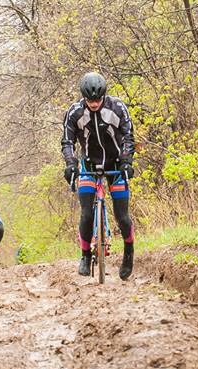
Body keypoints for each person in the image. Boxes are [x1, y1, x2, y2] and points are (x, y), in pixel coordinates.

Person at [61, 72, 136, 280]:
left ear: (104, 96)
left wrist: (127, 160)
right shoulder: (75, 112)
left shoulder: (118, 107)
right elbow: (67, 142)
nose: (94, 104)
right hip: (89, 164)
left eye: (97, 100)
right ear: (83, 98)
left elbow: (128, 136)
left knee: (122, 216)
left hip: (115, 164)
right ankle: (85, 255)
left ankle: (129, 252)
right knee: (86, 213)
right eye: (89, 100)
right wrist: (70, 164)